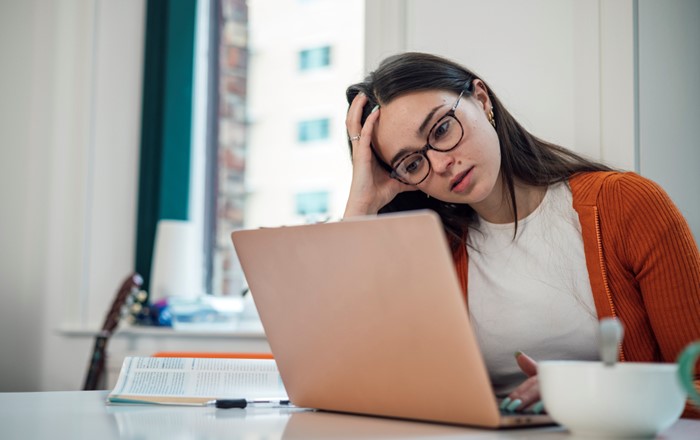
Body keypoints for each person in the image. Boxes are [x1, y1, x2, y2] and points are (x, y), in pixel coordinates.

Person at [343, 52, 700, 418]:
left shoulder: (625, 205)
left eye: (441, 129)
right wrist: (361, 204)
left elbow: (697, 383)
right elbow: (351, 377)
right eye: (413, 164)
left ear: (481, 100)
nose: (440, 164)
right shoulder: (434, 254)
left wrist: (580, 391)